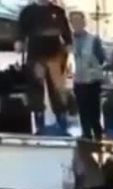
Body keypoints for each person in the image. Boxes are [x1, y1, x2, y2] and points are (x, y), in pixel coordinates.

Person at [16, 0, 74, 133]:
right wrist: (19, 41)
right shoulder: (28, 11)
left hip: (55, 56)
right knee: (36, 89)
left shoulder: (58, 11)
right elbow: (21, 29)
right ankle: (39, 124)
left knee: (58, 89)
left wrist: (68, 42)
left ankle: (62, 122)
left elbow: (66, 30)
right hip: (36, 56)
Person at [69, 11, 106, 140]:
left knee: (94, 110)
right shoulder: (69, 40)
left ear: (84, 22)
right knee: (82, 110)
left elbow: (101, 58)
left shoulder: (93, 40)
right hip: (78, 80)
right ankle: (86, 135)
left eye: (79, 21)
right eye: (74, 21)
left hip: (93, 80)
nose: (77, 24)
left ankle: (98, 135)